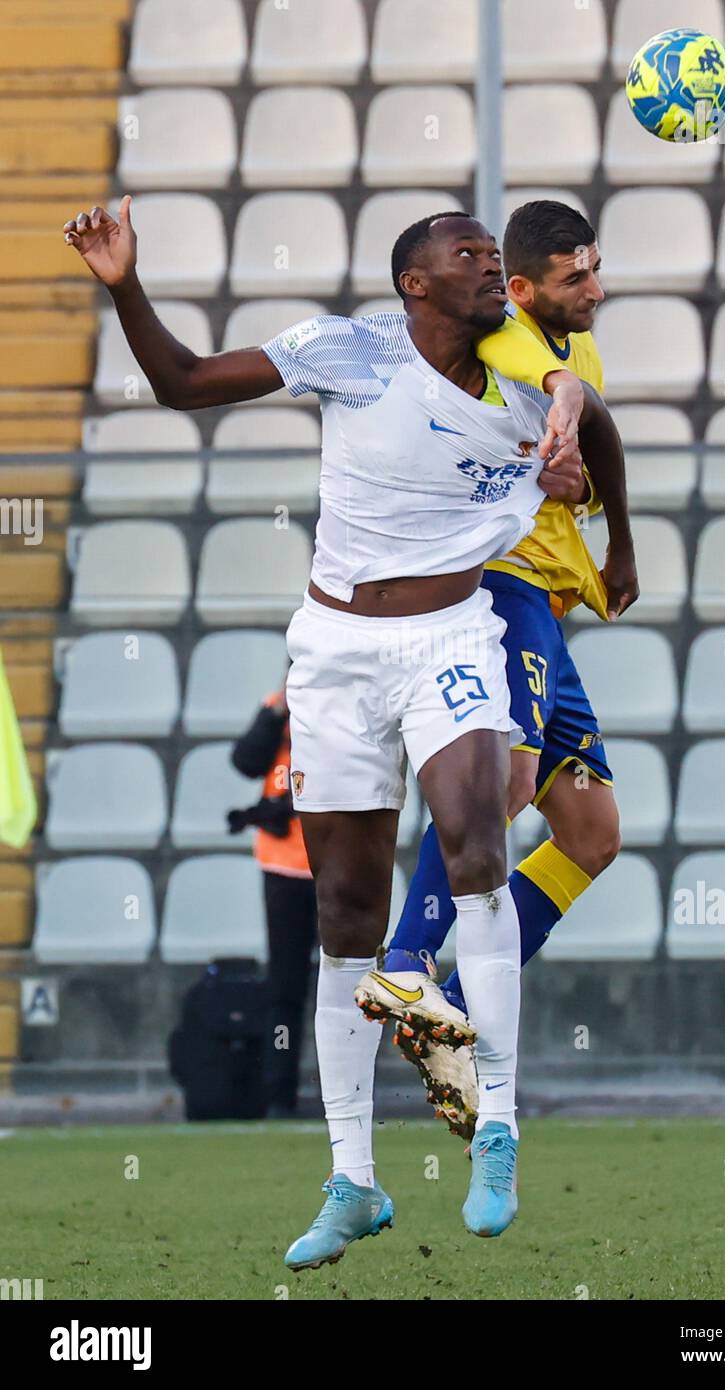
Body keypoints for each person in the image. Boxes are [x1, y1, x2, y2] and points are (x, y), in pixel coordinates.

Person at [62, 198, 609, 1266]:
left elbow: (584, 439)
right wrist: (123, 281)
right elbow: (182, 386)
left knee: (477, 847)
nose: (490, 267)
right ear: (415, 282)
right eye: (469, 255)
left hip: (455, 635)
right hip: (334, 650)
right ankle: (352, 1178)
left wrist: (580, 469)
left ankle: (495, 1124)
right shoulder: (346, 350)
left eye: (497, 257)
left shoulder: (515, 400)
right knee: (346, 916)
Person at [357, 201, 637, 1138]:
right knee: (507, 778)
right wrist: (540, 458)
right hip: (504, 588)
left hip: (551, 606)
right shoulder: (508, 340)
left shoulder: (575, 349)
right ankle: (407, 965)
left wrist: (604, 518)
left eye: (597, 270)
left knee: (593, 834)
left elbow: (584, 449)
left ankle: (453, 1005)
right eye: (575, 278)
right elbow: (504, 429)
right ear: (520, 290)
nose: (595, 290)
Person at [229, 687, 316, 1119]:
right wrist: (275, 712)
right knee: (285, 986)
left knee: (354, 983)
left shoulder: (348, 696)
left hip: (341, 862)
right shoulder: (277, 705)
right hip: (283, 866)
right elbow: (245, 762)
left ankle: (355, 1091)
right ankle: (279, 1096)